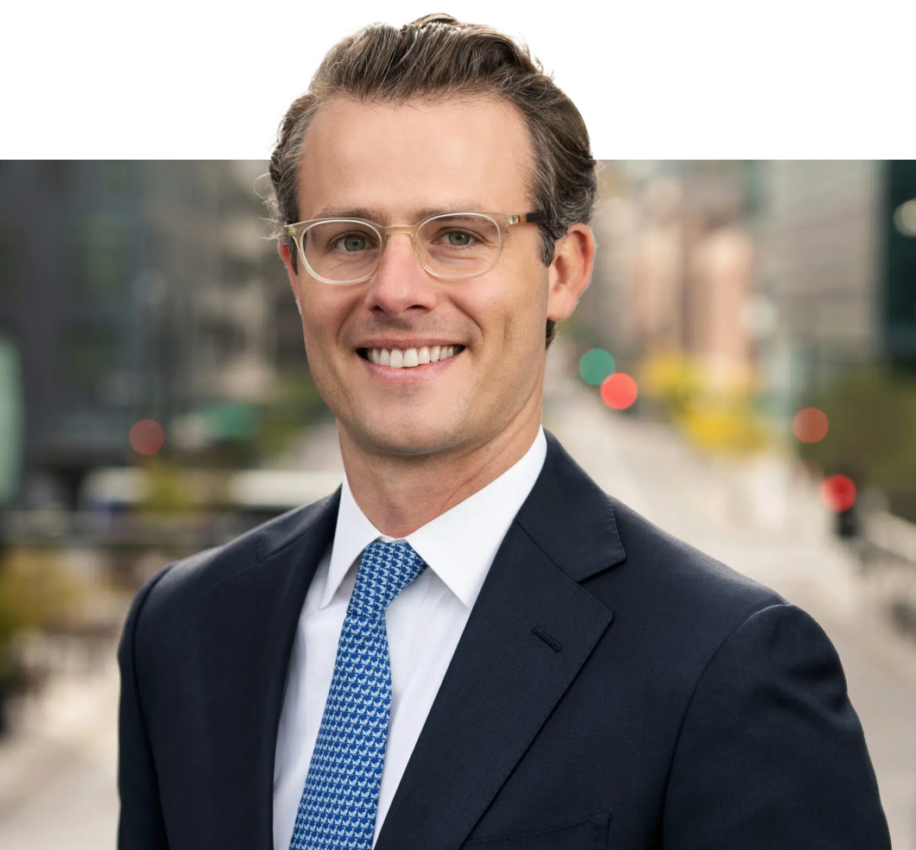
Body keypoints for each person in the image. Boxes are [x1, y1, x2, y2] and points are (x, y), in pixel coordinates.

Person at [117, 11, 890, 850]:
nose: (397, 289)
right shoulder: (180, 629)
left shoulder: (730, 667)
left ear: (562, 271)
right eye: (348, 239)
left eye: (458, 236)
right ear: (294, 275)